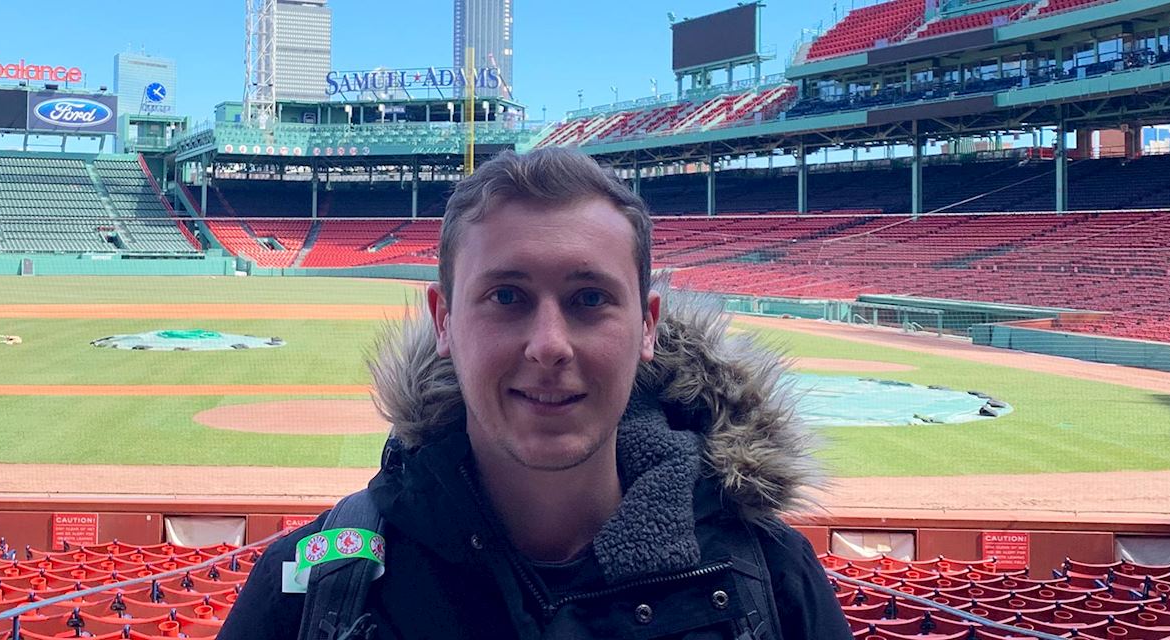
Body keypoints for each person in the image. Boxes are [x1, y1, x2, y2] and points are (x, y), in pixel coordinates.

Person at [219, 148, 852, 640]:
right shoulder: (311, 587)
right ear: (443, 320)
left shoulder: (772, 580)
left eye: (589, 300)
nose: (549, 345)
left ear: (648, 325)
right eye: (507, 297)